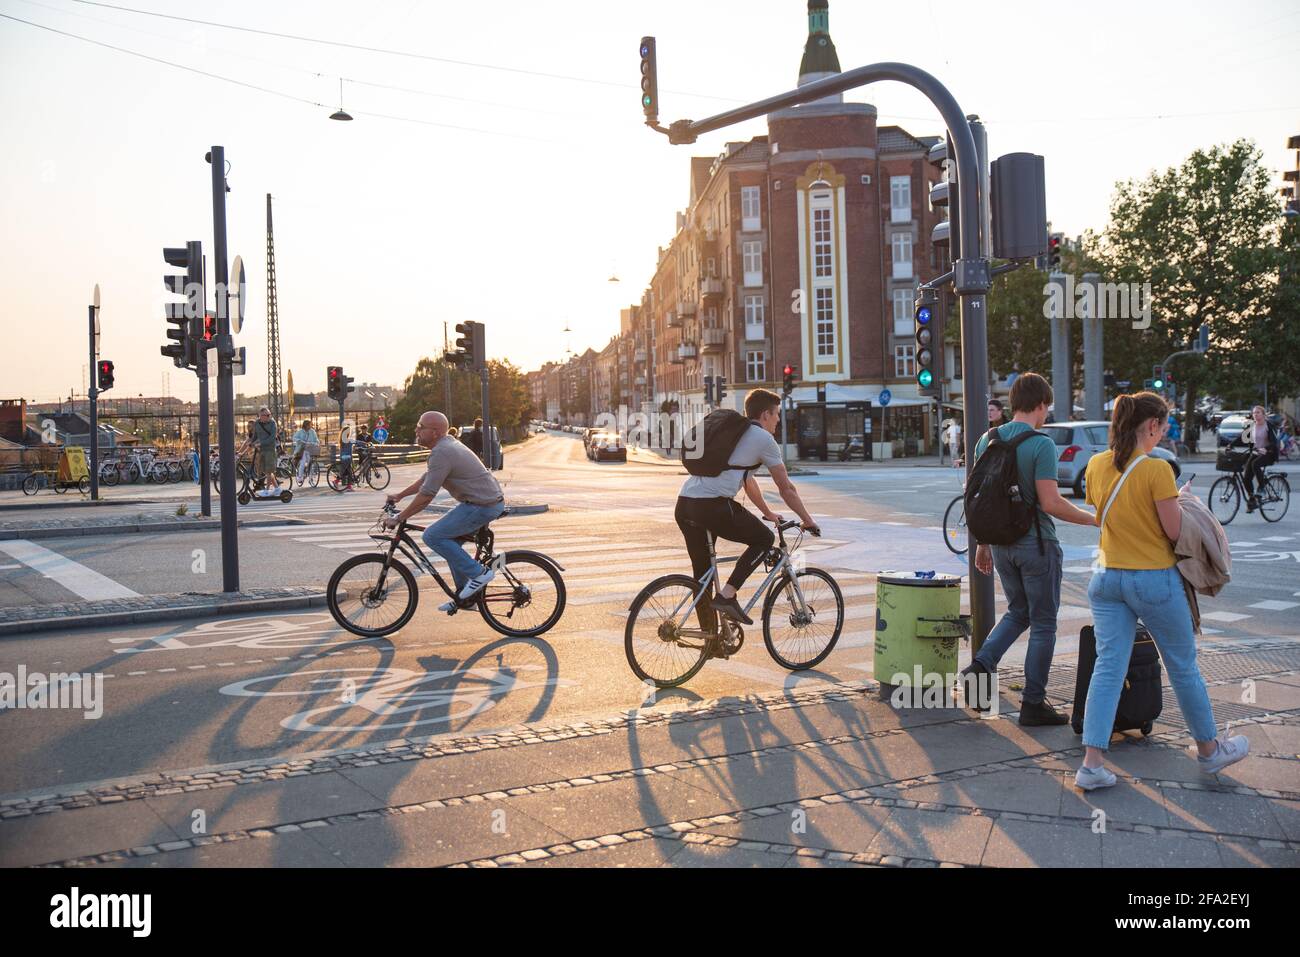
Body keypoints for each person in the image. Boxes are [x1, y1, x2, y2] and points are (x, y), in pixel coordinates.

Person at [1075, 391, 1248, 790]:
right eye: (1164, 426)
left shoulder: (1098, 465)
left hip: (1106, 579)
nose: (1164, 433)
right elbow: (1173, 531)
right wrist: (1181, 501)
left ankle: (1092, 763)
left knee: (1108, 666)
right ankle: (1209, 752)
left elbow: (1102, 517)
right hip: (1152, 579)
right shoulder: (1156, 470)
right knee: (1182, 666)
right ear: (1150, 426)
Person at [961, 373, 1099, 724]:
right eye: (1046, 408)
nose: (1046, 414)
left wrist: (984, 545)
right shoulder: (1041, 445)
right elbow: (1051, 503)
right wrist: (1093, 519)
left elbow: (984, 499)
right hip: (1037, 545)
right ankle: (1033, 703)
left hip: (1003, 546)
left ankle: (981, 664)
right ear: (1039, 405)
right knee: (1042, 624)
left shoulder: (986, 440)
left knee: (1017, 612)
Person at [676, 388, 819, 628]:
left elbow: (747, 480)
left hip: (685, 503)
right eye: (776, 415)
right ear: (765, 414)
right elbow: (786, 489)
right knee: (764, 539)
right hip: (712, 505)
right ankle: (728, 595)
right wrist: (807, 520)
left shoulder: (735, 435)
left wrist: (769, 512)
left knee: (702, 576)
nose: (778, 421)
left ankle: (710, 638)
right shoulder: (764, 440)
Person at [385, 411, 505, 612]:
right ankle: (465, 597)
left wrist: (399, 517)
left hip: (482, 505)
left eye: (420, 426)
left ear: (435, 432)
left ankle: (479, 574)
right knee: (450, 546)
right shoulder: (444, 447)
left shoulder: (442, 451)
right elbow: (427, 479)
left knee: (433, 536)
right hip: (481, 502)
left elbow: (427, 495)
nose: (416, 430)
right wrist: (400, 495)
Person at [1235, 405, 1279, 512]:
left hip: (1268, 453)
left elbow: (1274, 443)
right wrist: (1230, 445)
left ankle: (1262, 487)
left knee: (1255, 464)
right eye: (1254, 413)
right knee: (1246, 479)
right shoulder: (1252, 426)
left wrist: (1266, 448)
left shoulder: (1268, 426)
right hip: (1256, 453)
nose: (1255, 415)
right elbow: (1242, 438)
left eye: (1258, 412)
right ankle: (1252, 500)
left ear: (1263, 415)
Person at [292, 419, 319, 486]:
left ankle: (311, 477)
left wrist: (314, 443)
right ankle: (300, 477)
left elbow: (316, 440)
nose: (311, 426)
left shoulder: (312, 432)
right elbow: (294, 438)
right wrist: (300, 441)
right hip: (302, 449)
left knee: (311, 463)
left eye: (311, 425)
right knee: (303, 462)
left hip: (310, 449)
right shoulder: (300, 432)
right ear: (306, 425)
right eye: (309, 425)